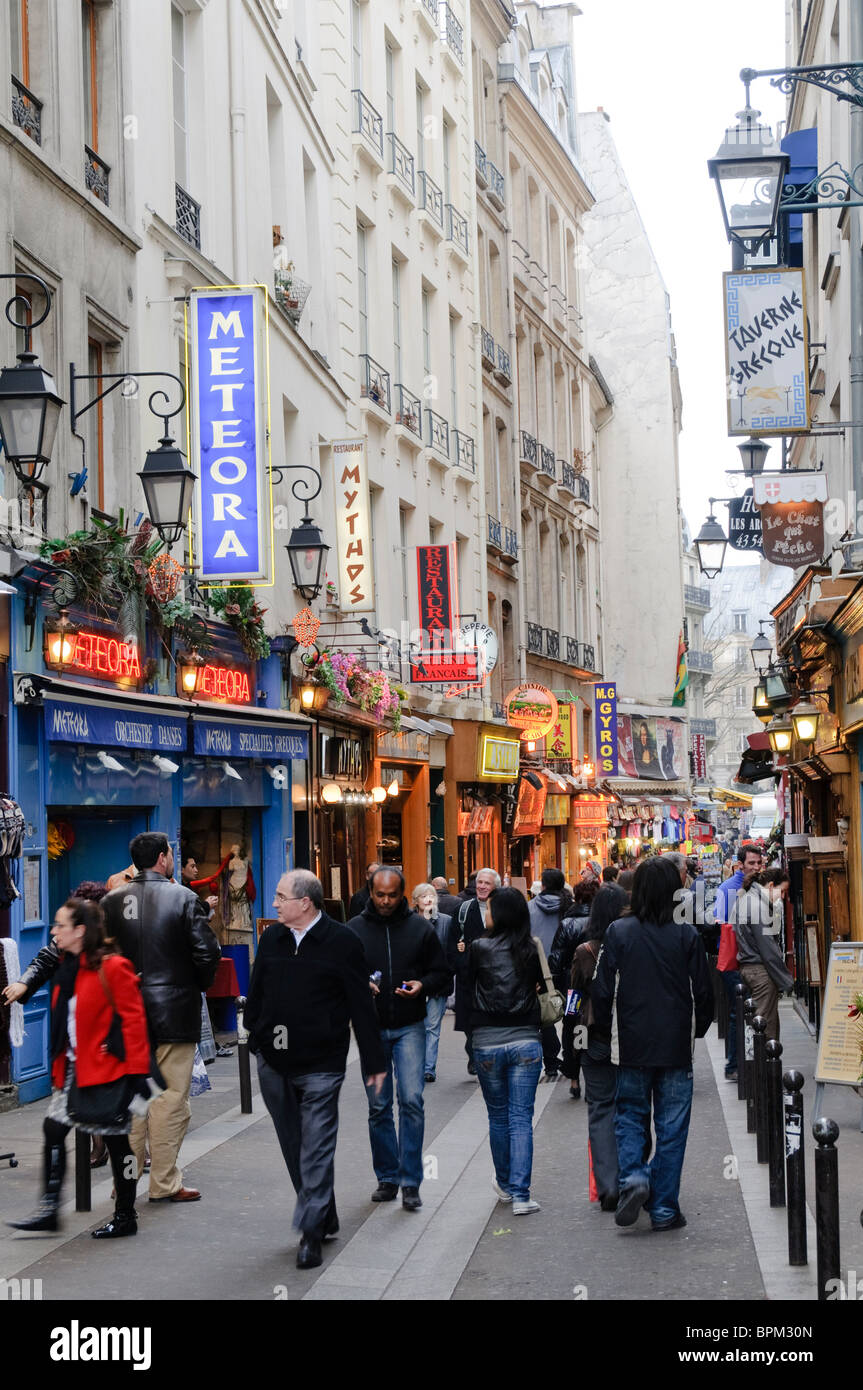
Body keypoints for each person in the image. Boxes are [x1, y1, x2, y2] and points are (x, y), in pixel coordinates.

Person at [245, 869, 386, 1270]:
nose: (274, 904)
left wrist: (374, 1061)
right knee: (294, 1146)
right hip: (274, 1062)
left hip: (322, 1063)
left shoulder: (342, 942)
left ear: (305, 902)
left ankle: (310, 1234)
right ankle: (323, 1213)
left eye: (281, 897)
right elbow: (257, 993)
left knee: (317, 1147)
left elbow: (360, 1003)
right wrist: (256, 1037)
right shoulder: (272, 938)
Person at [7, 897, 151, 1238]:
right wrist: (25, 983)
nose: (54, 931)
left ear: (80, 931)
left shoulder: (113, 967)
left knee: (118, 1144)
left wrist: (134, 1078)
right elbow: (43, 963)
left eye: (60, 925)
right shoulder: (66, 964)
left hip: (109, 1072)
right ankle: (49, 1209)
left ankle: (126, 1215)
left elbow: (134, 1024)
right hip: (74, 1069)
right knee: (54, 1129)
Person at [592, 856, 713, 1232]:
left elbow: (601, 990)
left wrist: (603, 1033)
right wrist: (695, 1031)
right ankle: (663, 1208)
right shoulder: (686, 935)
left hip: (630, 1043)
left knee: (630, 1115)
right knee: (672, 1128)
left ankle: (634, 1177)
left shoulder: (618, 932)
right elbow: (704, 992)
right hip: (675, 1045)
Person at [101, 832, 221, 1203]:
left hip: (126, 1013)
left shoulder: (111, 901)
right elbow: (208, 953)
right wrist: (193, 985)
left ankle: (126, 1181)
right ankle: (164, 1182)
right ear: (162, 858)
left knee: (133, 1100)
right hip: (174, 1011)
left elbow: (100, 959)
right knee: (169, 1098)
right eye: (171, 853)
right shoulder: (183, 898)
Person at [348, 868, 450, 1211]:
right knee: (378, 1106)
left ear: (402, 893)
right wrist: (361, 985)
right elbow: (340, 975)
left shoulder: (419, 928)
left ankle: (410, 1182)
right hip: (371, 1030)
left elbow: (441, 973)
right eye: (380, 895)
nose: (386, 901)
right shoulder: (355, 930)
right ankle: (387, 1177)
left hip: (410, 1026)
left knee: (411, 1101)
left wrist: (423, 984)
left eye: (392, 895)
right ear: (371, 892)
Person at [469, 887, 546, 1214]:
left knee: (498, 1116)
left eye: (489, 909)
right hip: (525, 1038)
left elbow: (466, 990)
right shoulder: (530, 947)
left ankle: (504, 1183)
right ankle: (522, 1196)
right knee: (521, 1118)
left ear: (499, 915)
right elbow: (541, 986)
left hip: (487, 1040)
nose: (486, 915)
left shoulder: (478, 948)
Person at [571, 883, 628, 1209]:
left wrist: (572, 1048)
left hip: (592, 1037)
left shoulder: (585, 951)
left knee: (600, 1109)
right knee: (631, 1106)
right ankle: (632, 1175)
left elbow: (574, 1001)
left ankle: (608, 1186)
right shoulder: (632, 945)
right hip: (628, 1035)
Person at [714, 844, 764, 1082]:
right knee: (739, 1011)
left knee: (752, 1011)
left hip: (753, 960)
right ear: (740, 864)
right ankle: (733, 1065)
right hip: (735, 961)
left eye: (759, 862)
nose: (756, 867)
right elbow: (722, 925)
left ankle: (752, 1060)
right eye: (751, 863)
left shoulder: (759, 886)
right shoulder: (727, 889)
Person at [731, 867, 792, 1041]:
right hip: (760, 972)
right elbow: (769, 950)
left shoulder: (745, 899)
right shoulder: (757, 906)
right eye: (782, 891)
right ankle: (760, 1059)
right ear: (771, 886)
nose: (782, 897)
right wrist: (787, 981)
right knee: (765, 1027)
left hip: (749, 968)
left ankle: (758, 1057)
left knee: (760, 1023)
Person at [450, 867, 500, 1075]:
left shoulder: (502, 908)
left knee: (490, 1020)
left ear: (495, 887)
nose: (482, 886)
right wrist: (461, 961)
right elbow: (452, 942)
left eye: (487, 883)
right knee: (470, 1022)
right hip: (468, 977)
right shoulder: (463, 910)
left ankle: (486, 1056)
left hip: (495, 977)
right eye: (480, 882)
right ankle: (473, 1054)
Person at [528, 867, 571, 1082]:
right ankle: (571, 1060)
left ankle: (552, 1063)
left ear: (542, 885)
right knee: (573, 1015)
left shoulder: (529, 908)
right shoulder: (570, 907)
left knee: (545, 1016)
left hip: (541, 971)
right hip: (570, 971)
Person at [411, 882, 454, 1083]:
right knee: (415, 1028)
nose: (428, 899)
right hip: (413, 982)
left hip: (437, 983)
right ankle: (415, 1065)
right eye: (423, 896)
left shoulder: (446, 921)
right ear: (415, 901)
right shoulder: (408, 921)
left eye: (432, 896)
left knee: (432, 1027)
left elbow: (449, 953)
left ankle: (428, 1068)